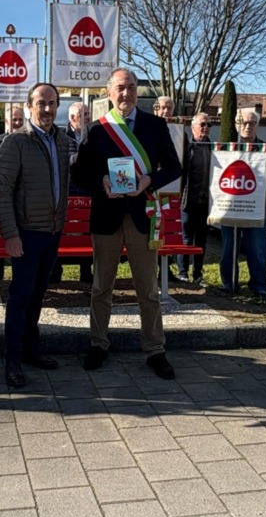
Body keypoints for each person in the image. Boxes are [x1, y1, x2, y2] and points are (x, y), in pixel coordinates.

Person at [71, 68, 182, 379]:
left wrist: (149, 180)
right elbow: (79, 174)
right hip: (106, 216)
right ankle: (98, 343)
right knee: (101, 287)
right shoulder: (96, 129)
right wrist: (102, 181)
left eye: (131, 87)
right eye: (120, 88)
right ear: (109, 92)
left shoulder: (155, 125)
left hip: (142, 215)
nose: (126, 93)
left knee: (147, 289)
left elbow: (173, 168)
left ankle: (155, 349)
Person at [0, 83, 72, 388]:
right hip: (26, 232)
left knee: (39, 294)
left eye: (52, 103)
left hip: (52, 231)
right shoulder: (16, 141)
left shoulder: (63, 140)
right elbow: (3, 191)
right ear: (30, 106)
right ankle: (12, 360)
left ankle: (30, 349)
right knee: (20, 298)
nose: (47, 109)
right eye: (41, 103)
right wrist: (10, 234)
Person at [220, 109, 266, 296]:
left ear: (257, 125)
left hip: (257, 207)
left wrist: (259, 181)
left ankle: (259, 286)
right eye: (244, 123)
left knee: (257, 248)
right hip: (231, 207)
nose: (248, 126)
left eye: (252, 123)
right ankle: (229, 284)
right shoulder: (226, 149)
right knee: (229, 248)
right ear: (237, 125)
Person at [54, 101, 93, 284]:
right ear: (71, 118)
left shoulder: (93, 134)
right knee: (62, 229)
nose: (88, 118)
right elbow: (56, 159)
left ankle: (86, 270)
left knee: (86, 230)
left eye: (88, 114)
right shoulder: (60, 136)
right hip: (67, 190)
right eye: (83, 115)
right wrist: (73, 159)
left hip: (88, 189)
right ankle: (56, 271)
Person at [0, 103, 26, 282]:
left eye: (20, 119)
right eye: (14, 119)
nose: (17, 123)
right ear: (6, 121)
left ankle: (20, 271)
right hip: (2, 194)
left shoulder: (30, 140)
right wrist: (4, 184)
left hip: (24, 197)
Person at [177, 112, 212, 286]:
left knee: (202, 240)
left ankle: (198, 274)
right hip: (188, 201)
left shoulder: (213, 148)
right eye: (202, 124)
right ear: (193, 127)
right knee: (186, 239)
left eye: (208, 125)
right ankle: (183, 273)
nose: (206, 128)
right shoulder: (187, 147)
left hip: (205, 202)